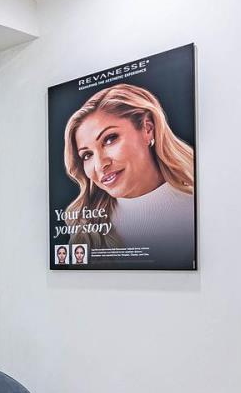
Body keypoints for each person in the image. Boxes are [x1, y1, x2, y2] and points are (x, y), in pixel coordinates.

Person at [62, 83, 194, 263]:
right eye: (87, 155)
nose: (100, 165)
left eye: (110, 139)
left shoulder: (200, 206)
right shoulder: (86, 231)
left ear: (148, 129)